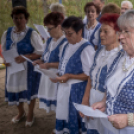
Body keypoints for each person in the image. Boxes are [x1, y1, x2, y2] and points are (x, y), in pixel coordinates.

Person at [91, 10, 134, 134]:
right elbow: (112, 87)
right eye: (120, 31)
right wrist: (105, 102)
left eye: (126, 31)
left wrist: (129, 119)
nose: (120, 36)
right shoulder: (119, 56)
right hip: (111, 127)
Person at [1, 6, 44, 127]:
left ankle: (30, 114)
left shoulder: (32, 33)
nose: (18, 20)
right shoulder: (7, 33)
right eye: (16, 18)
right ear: (12, 19)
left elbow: (40, 52)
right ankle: (21, 112)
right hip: (13, 69)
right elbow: (4, 50)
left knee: (29, 92)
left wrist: (25, 56)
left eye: (21, 18)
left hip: (28, 69)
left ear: (26, 19)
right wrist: (5, 60)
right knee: (15, 91)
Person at [51, 16, 95, 134]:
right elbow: (63, 64)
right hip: (64, 88)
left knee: (75, 120)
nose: (66, 36)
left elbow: (89, 75)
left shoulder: (86, 48)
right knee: (64, 115)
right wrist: (59, 75)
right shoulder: (66, 45)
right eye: (65, 33)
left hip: (77, 92)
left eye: (69, 33)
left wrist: (70, 76)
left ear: (80, 31)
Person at [80, 13, 122, 134]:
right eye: (101, 31)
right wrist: (85, 99)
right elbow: (90, 78)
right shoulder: (98, 52)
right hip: (93, 98)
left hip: (108, 103)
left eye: (106, 31)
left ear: (117, 33)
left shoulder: (121, 56)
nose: (101, 34)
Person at [33, 12, 67, 113]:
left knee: (60, 105)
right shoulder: (49, 41)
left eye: (50, 28)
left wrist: (48, 65)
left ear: (59, 26)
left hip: (58, 78)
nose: (47, 31)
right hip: (48, 77)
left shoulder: (65, 42)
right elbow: (45, 57)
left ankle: (60, 126)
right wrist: (40, 61)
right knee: (54, 107)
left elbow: (65, 64)